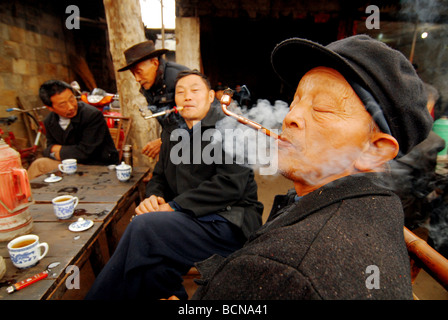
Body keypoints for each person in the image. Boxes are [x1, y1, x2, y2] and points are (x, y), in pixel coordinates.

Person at [192, 35, 433, 300]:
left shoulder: (283, 269)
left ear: (374, 150)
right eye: (295, 102)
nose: (291, 117)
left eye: (322, 108)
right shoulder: (379, 204)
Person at [85, 70, 263, 300]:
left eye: (195, 91)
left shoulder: (231, 129)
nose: (187, 96)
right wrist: (154, 198)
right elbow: (159, 176)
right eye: (180, 92)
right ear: (175, 100)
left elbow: (231, 184)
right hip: (188, 220)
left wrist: (174, 206)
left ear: (210, 96)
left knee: (144, 228)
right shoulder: (172, 131)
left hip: (228, 222)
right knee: (151, 259)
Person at [27, 80, 119, 180]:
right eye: (63, 105)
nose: (71, 107)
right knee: (39, 165)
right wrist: (62, 151)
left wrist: (59, 151)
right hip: (71, 165)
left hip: (97, 166)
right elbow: (49, 149)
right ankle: (26, 195)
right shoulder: (49, 121)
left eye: (72, 99)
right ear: (50, 108)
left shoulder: (91, 115)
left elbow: (85, 152)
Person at [117, 40, 189, 159]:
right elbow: (167, 124)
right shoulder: (148, 87)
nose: (137, 79)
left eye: (139, 72)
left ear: (155, 63)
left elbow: (197, 121)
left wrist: (164, 141)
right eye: (133, 74)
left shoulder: (181, 78)